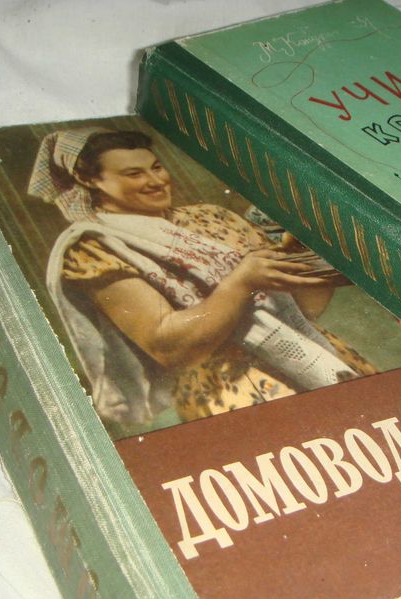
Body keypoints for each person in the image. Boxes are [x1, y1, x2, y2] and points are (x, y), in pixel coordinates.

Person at [28, 127, 373, 427]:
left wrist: (301, 252)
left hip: (321, 355)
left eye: (156, 167)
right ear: (90, 180)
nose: (155, 181)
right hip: (232, 390)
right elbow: (168, 346)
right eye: (134, 174)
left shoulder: (211, 216)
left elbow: (304, 310)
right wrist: (240, 283)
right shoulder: (94, 246)